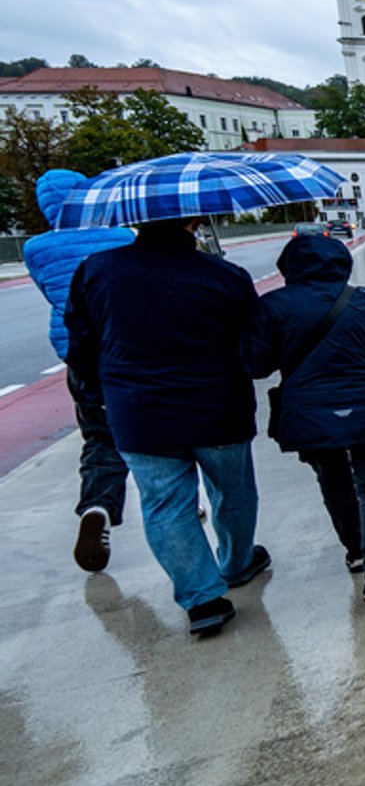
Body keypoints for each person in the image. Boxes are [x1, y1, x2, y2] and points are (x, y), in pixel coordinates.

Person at [66, 214, 268, 636]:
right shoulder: (225, 276)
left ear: (138, 221)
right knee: (233, 492)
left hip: (140, 413)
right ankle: (235, 562)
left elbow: (82, 345)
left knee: (164, 504)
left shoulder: (97, 270)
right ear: (193, 221)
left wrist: (98, 391)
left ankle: (202, 600)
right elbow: (253, 350)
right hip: (219, 409)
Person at [248, 234, 365, 604]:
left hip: (310, 412)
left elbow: (257, 365)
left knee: (334, 480)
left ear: (288, 267)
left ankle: (354, 551)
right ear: (342, 263)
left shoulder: (273, 305)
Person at [22, 170, 135, 572]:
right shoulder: (124, 240)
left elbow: (51, 292)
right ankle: (186, 506)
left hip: (79, 354)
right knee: (161, 433)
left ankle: (97, 507)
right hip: (130, 348)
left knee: (100, 438)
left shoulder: (36, 248)